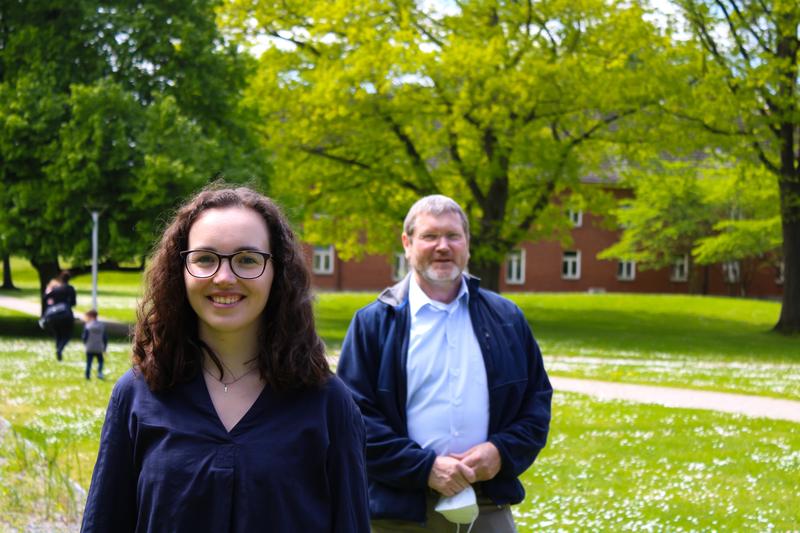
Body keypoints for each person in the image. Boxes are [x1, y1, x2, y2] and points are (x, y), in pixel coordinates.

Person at [81, 185, 370, 532]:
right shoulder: (137, 395)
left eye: (247, 259)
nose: (224, 278)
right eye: (205, 258)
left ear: (277, 271)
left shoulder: (327, 404)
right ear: (180, 270)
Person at [337, 195, 552, 532]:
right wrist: (425, 468)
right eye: (429, 236)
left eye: (453, 236)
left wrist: (501, 453)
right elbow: (353, 419)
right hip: (401, 512)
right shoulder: (374, 323)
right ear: (407, 244)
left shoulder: (507, 318)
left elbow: (537, 403)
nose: (443, 246)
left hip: (486, 505)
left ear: (467, 243)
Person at [42, 271, 77, 361]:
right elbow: (73, 302)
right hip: (66, 313)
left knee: (58, 334)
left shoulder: (56, 289)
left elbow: (45, 297)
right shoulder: (70, 289)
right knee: (67, 335)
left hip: (54, 314)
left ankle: (58, 350)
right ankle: (60, 349)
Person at [82, 309, 107, 380]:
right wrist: (105, 347)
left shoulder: (87, 326)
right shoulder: (101, 325)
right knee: (100, 361)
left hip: (89, 347)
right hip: (99, 347)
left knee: (89, 362)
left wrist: (85, 343)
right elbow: (105, 338)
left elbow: (84, 337)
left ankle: (87, 375)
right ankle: (99, 373)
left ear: (90, 316)